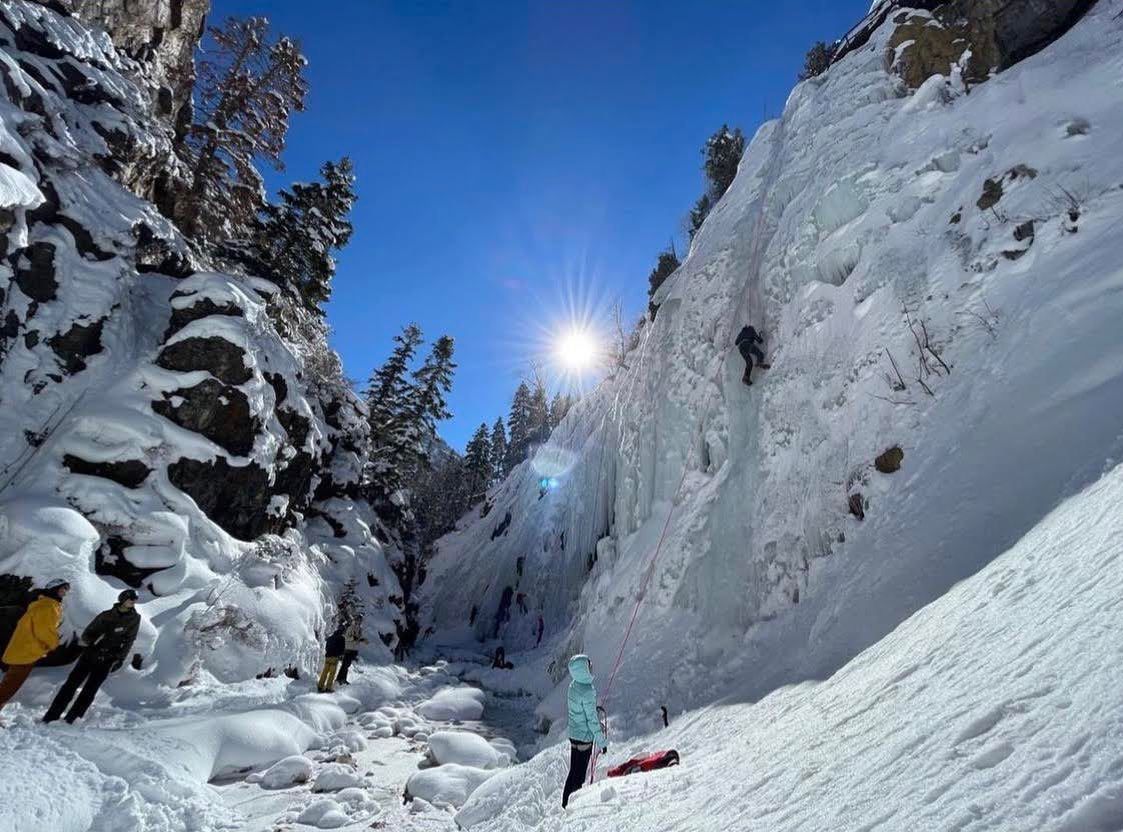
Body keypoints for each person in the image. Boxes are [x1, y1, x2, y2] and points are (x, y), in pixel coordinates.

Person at [43, 589, 140, 724]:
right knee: (70, 685)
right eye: (131, 599)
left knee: (90, 690)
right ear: (123, 599)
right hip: (89, 655)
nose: (133, 602)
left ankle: (73, 719)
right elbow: (87, 634)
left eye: (135, 600)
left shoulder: (134, 619)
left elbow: (130, 640)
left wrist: (120, 659)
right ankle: (51, 716)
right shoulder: (105, 615)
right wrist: (94, 640)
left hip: (108, 659)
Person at [0, 579, 69, 717]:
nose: (65, 592)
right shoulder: (48, 606)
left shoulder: (43, 603)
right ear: (54, 589)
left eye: (66, 590)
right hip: (27, 651)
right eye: (62, 589)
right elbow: (44, 630)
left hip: (24, 649)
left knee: (9, 682)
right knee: (11, 685)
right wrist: (54, 643)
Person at [563, 654, 606, 808]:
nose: (591, 668)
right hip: (584, 739)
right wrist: (602, 741)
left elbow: (580, 711)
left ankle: (565, 804)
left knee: (572, 772)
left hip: (574, 736)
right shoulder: (587, 691)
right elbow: (592, 720)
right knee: (579, 777)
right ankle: (573, 807)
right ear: (583, 670)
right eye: (589, 666)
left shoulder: (573, 686)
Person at [336, 617, 367, 686]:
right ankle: (340, 679)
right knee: (345, 664)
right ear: (355, 620)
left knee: (347, 665)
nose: (359, 622)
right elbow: (347, 637)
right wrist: (353, 638)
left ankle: (342, 679)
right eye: (358, 620)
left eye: (360, 621)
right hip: (348, 649)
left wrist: (362, 640)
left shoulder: (359, 629)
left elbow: (357, 638)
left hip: (354, 649)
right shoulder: (351, 628)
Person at [317, 624, 346, 693]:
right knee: (332, 673)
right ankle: (328, 688)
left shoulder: (330, 637)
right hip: (335, 657)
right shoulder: (342, 638)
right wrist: (340, 655)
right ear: (343, 631)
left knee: (324, 672)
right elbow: (342, 649)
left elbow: (326, 647)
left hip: (327, 656)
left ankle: (320, 686)